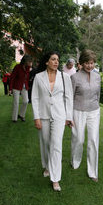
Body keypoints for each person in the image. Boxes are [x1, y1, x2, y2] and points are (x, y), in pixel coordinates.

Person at [31, 51, 74, 192]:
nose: (56, 62)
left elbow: (69, 98)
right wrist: (36, 117)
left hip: (59, 115)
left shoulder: (65, 77)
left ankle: (55, 179)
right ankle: (47, 166)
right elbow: (35, 98)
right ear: (46, 62)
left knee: (56, 145)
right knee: (46, 142)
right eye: (53, 59)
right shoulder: (38, 77)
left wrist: (69, 117)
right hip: (43, 115)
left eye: (57, 60)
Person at [70, 49, 101, 182]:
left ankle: (92, 171)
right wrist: (69, 116)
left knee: (93, 140)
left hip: (94, 110)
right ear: (81, 63)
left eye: (92, 63)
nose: (90, 66)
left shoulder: (97, 76)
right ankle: (75, 161)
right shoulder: (75, 77)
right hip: (78, 110)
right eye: (87, 63)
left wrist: (96, 106)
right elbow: (69, 97)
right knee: (79, 139)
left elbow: (97, 95)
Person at [9, 55, 32, 123]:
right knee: (16, 102)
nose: (30, 62)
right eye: (29, 61)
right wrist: (10, 88)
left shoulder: (28, 68)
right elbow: (12, 77)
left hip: (24, 87)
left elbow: (27, 78)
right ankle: (14, 118)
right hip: (16, 86)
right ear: (25, 61)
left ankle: (21, 115)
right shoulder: (17, 67)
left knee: (26, 101)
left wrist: (28, 85)